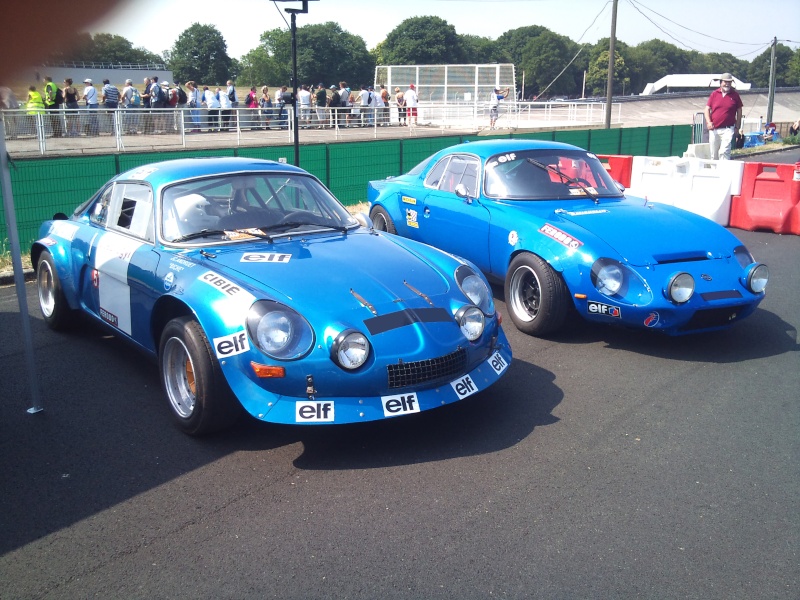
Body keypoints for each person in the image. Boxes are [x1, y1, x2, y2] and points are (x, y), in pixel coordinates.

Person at [703, 73, 743, 161]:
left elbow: (739, 110)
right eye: (725, 82)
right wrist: (709, 122)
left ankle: (724, 171)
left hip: (728, 128)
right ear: (721, 82)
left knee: (724, 151)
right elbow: (707, 109)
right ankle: (715, 172)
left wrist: (737, 126)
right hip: (714, 128)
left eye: (729, 82)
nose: (727, 84)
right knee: (714, 154)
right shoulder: (714, 94)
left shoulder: (735, 95)